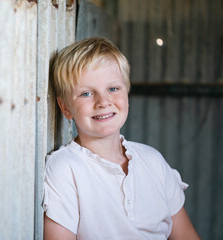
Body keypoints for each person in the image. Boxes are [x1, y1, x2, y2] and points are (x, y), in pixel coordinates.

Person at [43, 37, 200, 240]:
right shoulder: (65, 168)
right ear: (65, 107)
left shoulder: (152, 161)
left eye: (113, 89)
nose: (103, 101)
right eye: (86, 93)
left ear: (126, 92)